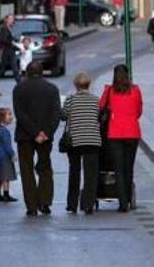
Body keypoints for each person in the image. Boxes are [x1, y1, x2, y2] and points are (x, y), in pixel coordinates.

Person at [13, 62, 61, 216]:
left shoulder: (19, 89)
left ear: (27, 72)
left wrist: (34, 132)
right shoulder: (52, 89)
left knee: (26, 170)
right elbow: (55, 114)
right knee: (45, 168)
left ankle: (31, 205)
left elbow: (20, 114)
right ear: (42, 72)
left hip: (25, 135)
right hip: (45, 137)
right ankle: (45, 202)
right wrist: (45, 132)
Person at [100, 65, 142, 212]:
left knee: (118, 168)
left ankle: (122, 202)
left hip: (115, 132)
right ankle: (129, 198)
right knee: (128, 167)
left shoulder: (110, 90)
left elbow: (101, 107)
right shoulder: (135, 90)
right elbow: (138, 111)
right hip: (132, 131)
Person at [62, 72, 102, 214]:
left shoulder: (70, 100)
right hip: (92, 140)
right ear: (88, 84)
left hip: (75, 141)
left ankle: (72, 204)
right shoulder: (96, 100)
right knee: (90, 174)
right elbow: (100, 117)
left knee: (74, 172)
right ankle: (88, 204)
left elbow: (64, 115)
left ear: (76, 85)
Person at [0, 108, 18, 203]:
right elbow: (7, 146)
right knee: (6, 176)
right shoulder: (4, 131)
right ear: (2, 118)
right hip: (5, 157)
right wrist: (13, 155)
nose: (11, 117)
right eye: (9, 115)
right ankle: (6, 194)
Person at [0, 15, 20, 96]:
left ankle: (20, 86)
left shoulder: (9, 28)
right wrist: (11, 42)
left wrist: (14, 41)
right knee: (0, 70)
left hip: (10, 51)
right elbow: (2, 39)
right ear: (7, 19)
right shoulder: (3, 28)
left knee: (15, 69)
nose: (12, 20)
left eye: (13, 19)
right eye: (11, 19)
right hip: (5, 51)